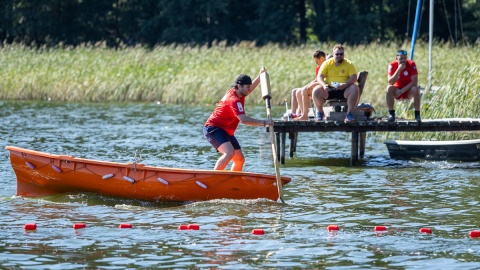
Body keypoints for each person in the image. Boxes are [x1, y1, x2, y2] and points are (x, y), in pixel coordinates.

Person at [204, 72, 274, 171]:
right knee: (229, 153)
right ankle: (213, 179)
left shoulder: (239, 92)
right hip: (213, 128)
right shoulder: (233, 99)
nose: (249, 90)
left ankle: (234, 183)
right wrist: (265, 122)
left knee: (239, 160)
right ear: (239, 86)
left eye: (250, 87)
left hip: (226, 131)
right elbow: (244, 120)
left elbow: (248, 89)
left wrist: (259, 78)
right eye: (247, 87)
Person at [311, 44, 359, 122]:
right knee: (316, 90)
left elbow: (354, 77)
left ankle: (349, 114)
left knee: (355, 88)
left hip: (344, 89)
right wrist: (324, 85)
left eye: (341, 54)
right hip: (329, 89)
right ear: (333, 55)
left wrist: (345, 85)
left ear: (344, 54)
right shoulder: (327, 63)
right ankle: (320, 113)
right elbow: (319, 77)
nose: (339, 56)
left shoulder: (349, 64)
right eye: (337, 54)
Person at [289, 50, 327, 120]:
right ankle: (299, 113)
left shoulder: (326, 66)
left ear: (322, 58)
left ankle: (304, 114)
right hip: (318, 85)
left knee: (301, 91)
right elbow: (317, 79)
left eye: (316, 61)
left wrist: (311, 85)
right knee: (296, 91)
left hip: (322, 88)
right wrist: (309, 85)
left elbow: (325, 80)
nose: (315, 62)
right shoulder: (318, 67)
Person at [386, 49, 421, 122]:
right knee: (389, 88)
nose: (403, 60)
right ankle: (391, 114)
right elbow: (391, 82)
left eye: (405, 58)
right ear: (397, 58)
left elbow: (415, 82)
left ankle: (417, 115)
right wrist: (399, 69)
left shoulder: (411, 64)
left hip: (408, 90)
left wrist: (401, 91)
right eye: (401, 58)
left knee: (416, 89)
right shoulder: (392, 65)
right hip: (396, 90)